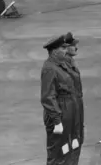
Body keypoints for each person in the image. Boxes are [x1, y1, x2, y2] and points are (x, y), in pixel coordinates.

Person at [41, 35, 80, 165]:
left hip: (68, 111)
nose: (65, 50)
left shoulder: (60, 65)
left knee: (68, 149)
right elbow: (47, 97)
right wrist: (57, 120)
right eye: (62, 48)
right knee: (57, 153)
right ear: (54, 51)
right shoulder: (49, 69)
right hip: (60, 113)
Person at [61, 32, 84, 165]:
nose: (76, 48)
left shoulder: (71, 61)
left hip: (76, 103)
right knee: (69, 140)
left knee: (77, 138)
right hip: (69, 105)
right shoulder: (63, 65)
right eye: (73, 45)